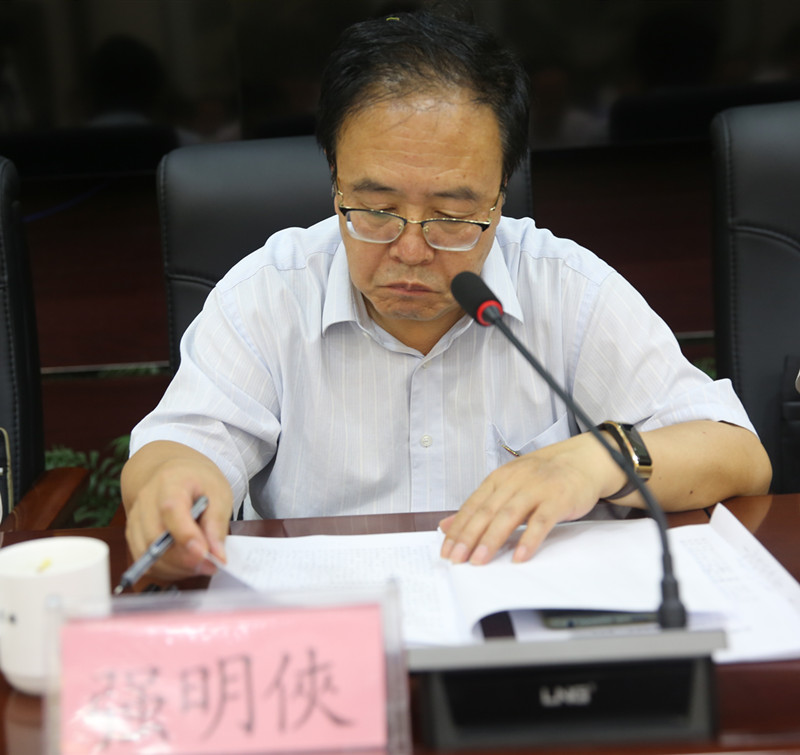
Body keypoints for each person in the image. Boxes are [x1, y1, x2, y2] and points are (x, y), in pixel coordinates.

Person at [121, 6, 771, 582]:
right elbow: (181, 448)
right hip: (337, 634)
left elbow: (737, 453)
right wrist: (172, 488)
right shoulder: (268, 292)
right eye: (375, 208)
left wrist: (595, 461)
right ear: (334, 180)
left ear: (499, 195)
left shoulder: (567, 288)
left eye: (453, 216)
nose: (410, 249)